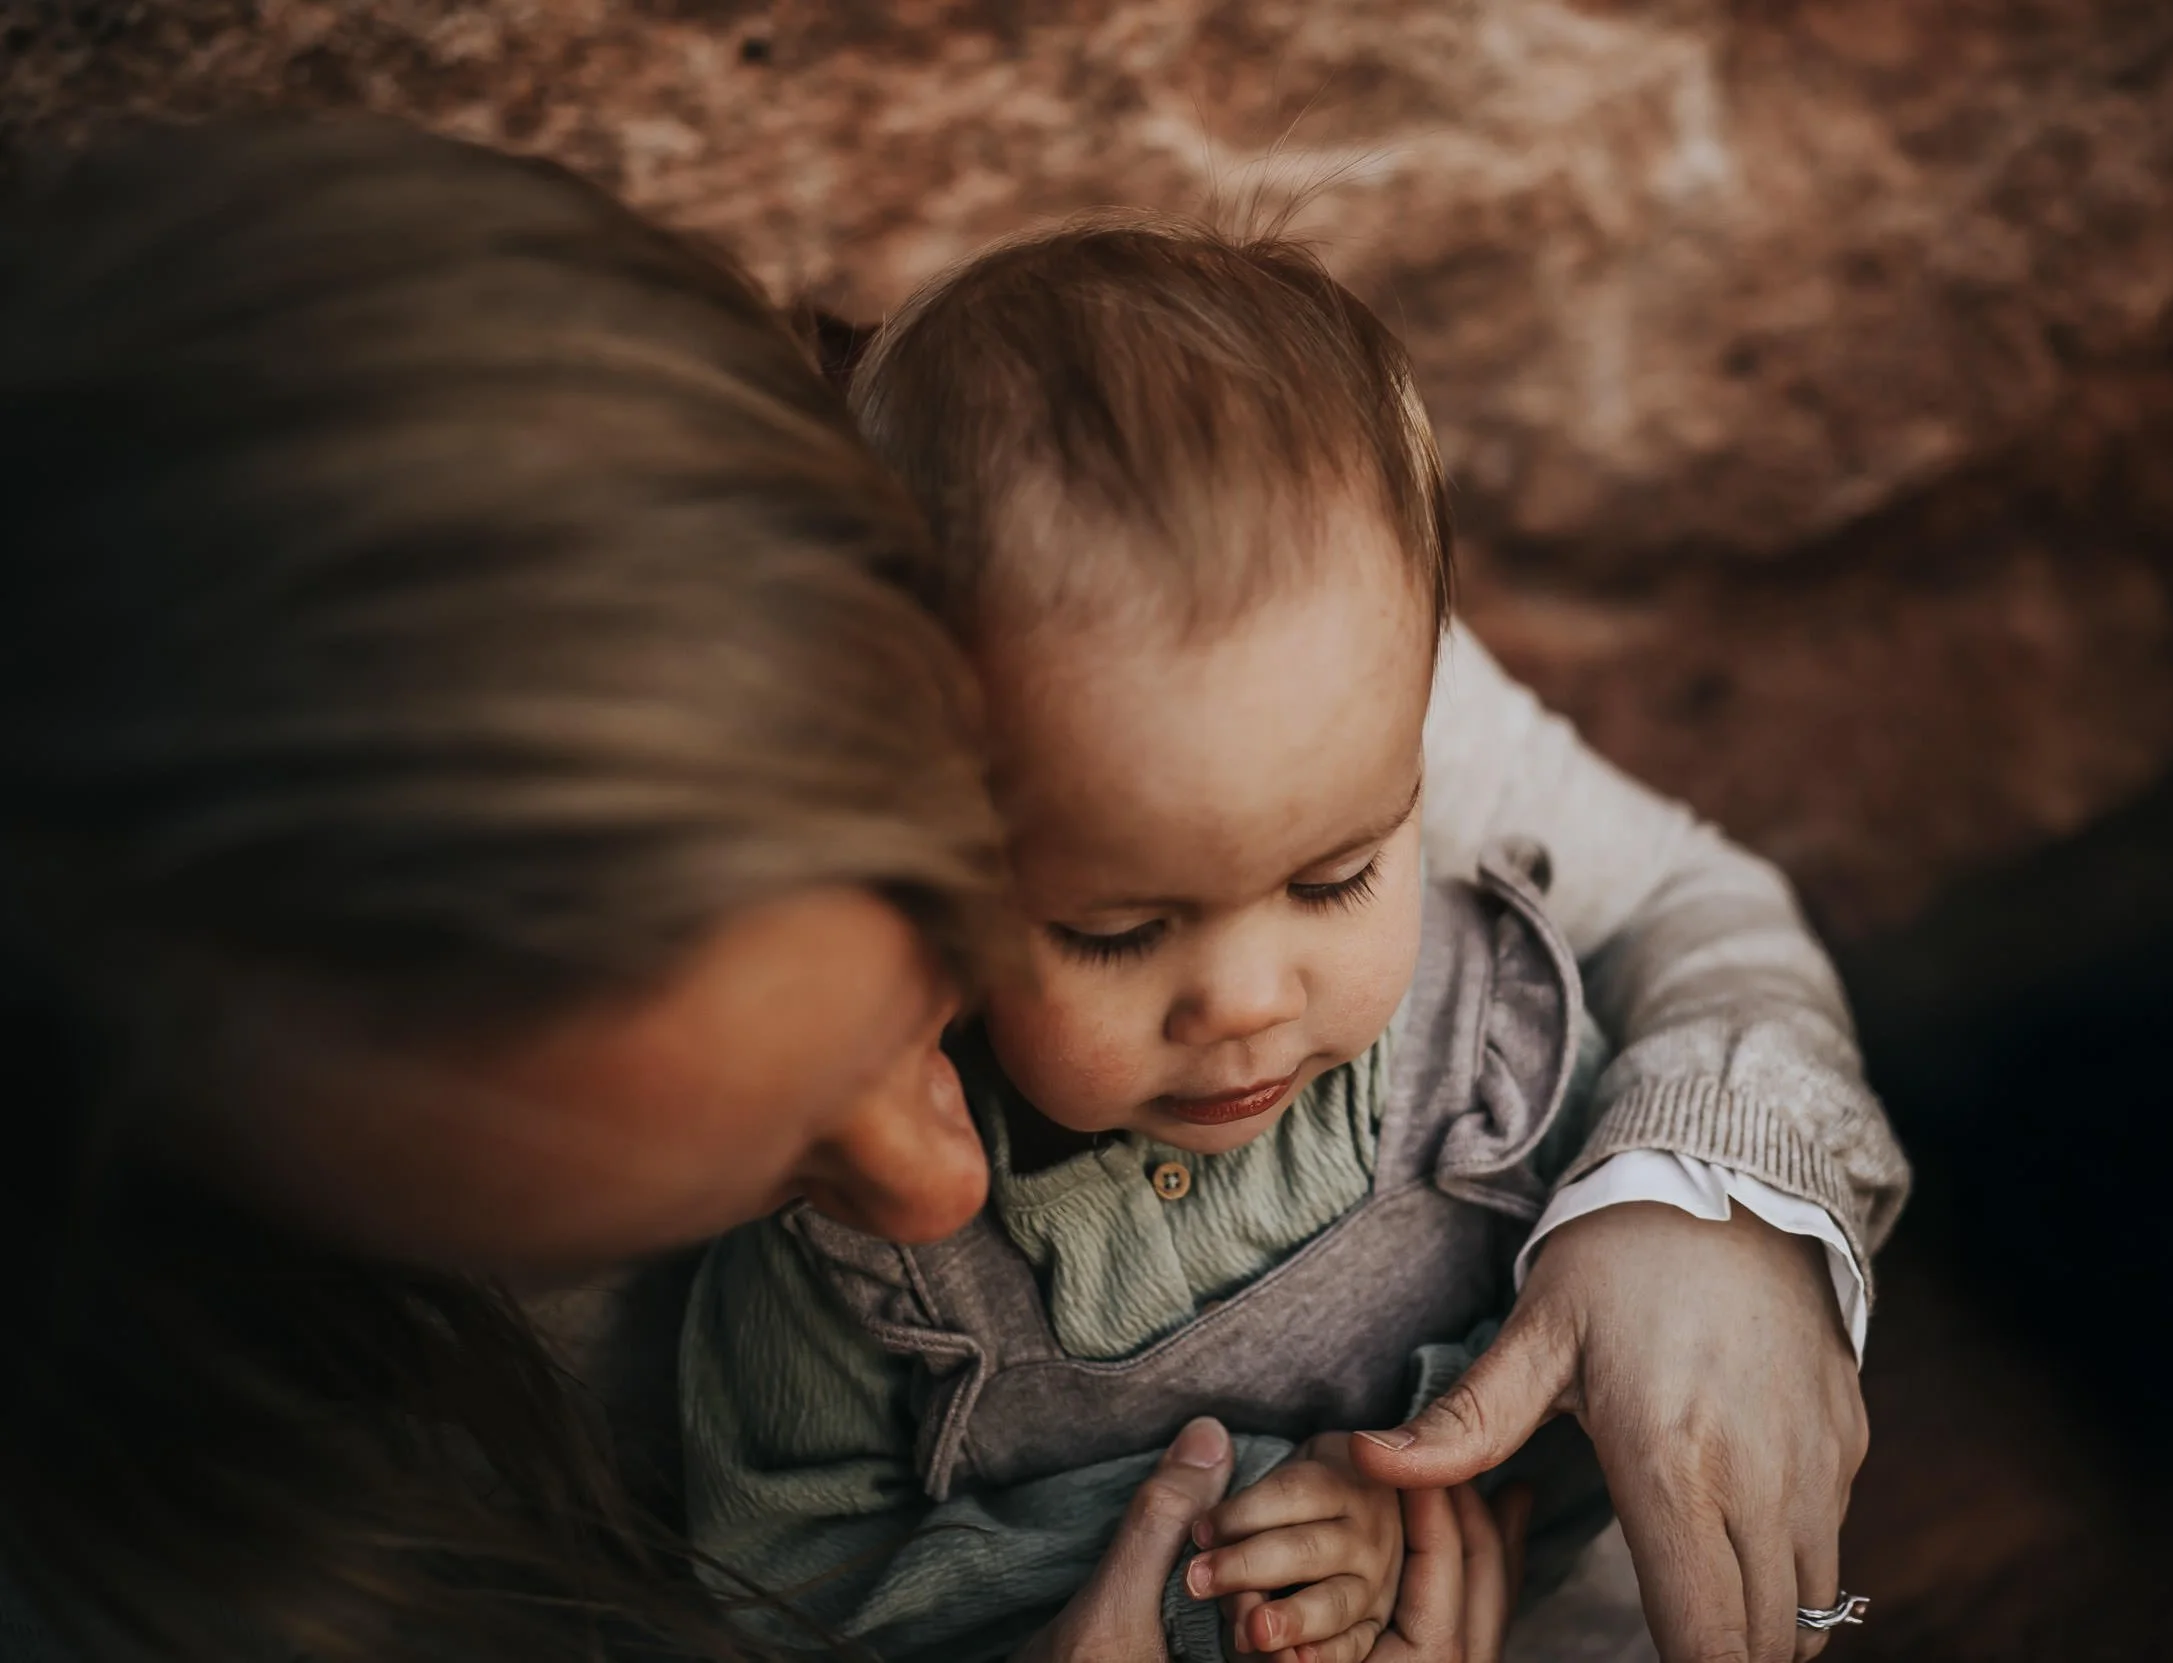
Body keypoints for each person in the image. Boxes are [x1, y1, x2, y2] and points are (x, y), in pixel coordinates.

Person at [0, 117, 1523, 1663]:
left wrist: (1688, 1216)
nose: (947, 1193)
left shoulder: (1050, 579)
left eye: (941, 947)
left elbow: (1644, 895)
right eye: (770, 1162)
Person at [683, 217, 1909, 1663]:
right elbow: (771, 1602)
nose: (1252, 1000)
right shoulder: (852, 1268)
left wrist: (1698, 1216)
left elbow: (1651, 1438)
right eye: (1116, 929)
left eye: (1337, 878)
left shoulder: (1500, 1046)